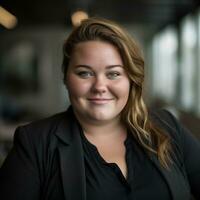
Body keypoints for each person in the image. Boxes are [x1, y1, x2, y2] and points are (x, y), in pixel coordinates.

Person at [0, 17, 200, 200]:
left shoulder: (167, 127)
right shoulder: (35, 143)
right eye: (85, 73)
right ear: (66, 78)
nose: (99, 87)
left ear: (131, 79)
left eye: (113, 74)